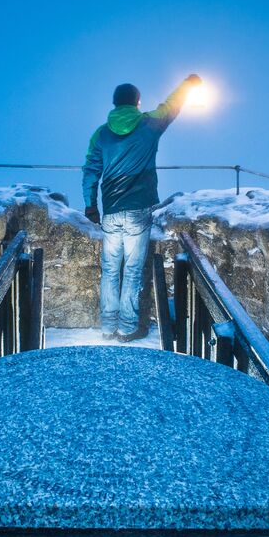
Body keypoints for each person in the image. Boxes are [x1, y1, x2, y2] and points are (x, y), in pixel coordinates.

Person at [82, 75, 200, 341]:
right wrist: (188, 84)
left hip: (111, 210)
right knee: (132, 271)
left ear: (114, 104)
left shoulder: (101, 134)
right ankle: (126, 328)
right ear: (137, 102)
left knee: (110, 270)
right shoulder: (149, 124)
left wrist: (91, 204)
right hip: (138, 210)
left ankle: (107, 327)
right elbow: (171, 105)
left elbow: (90, 170)